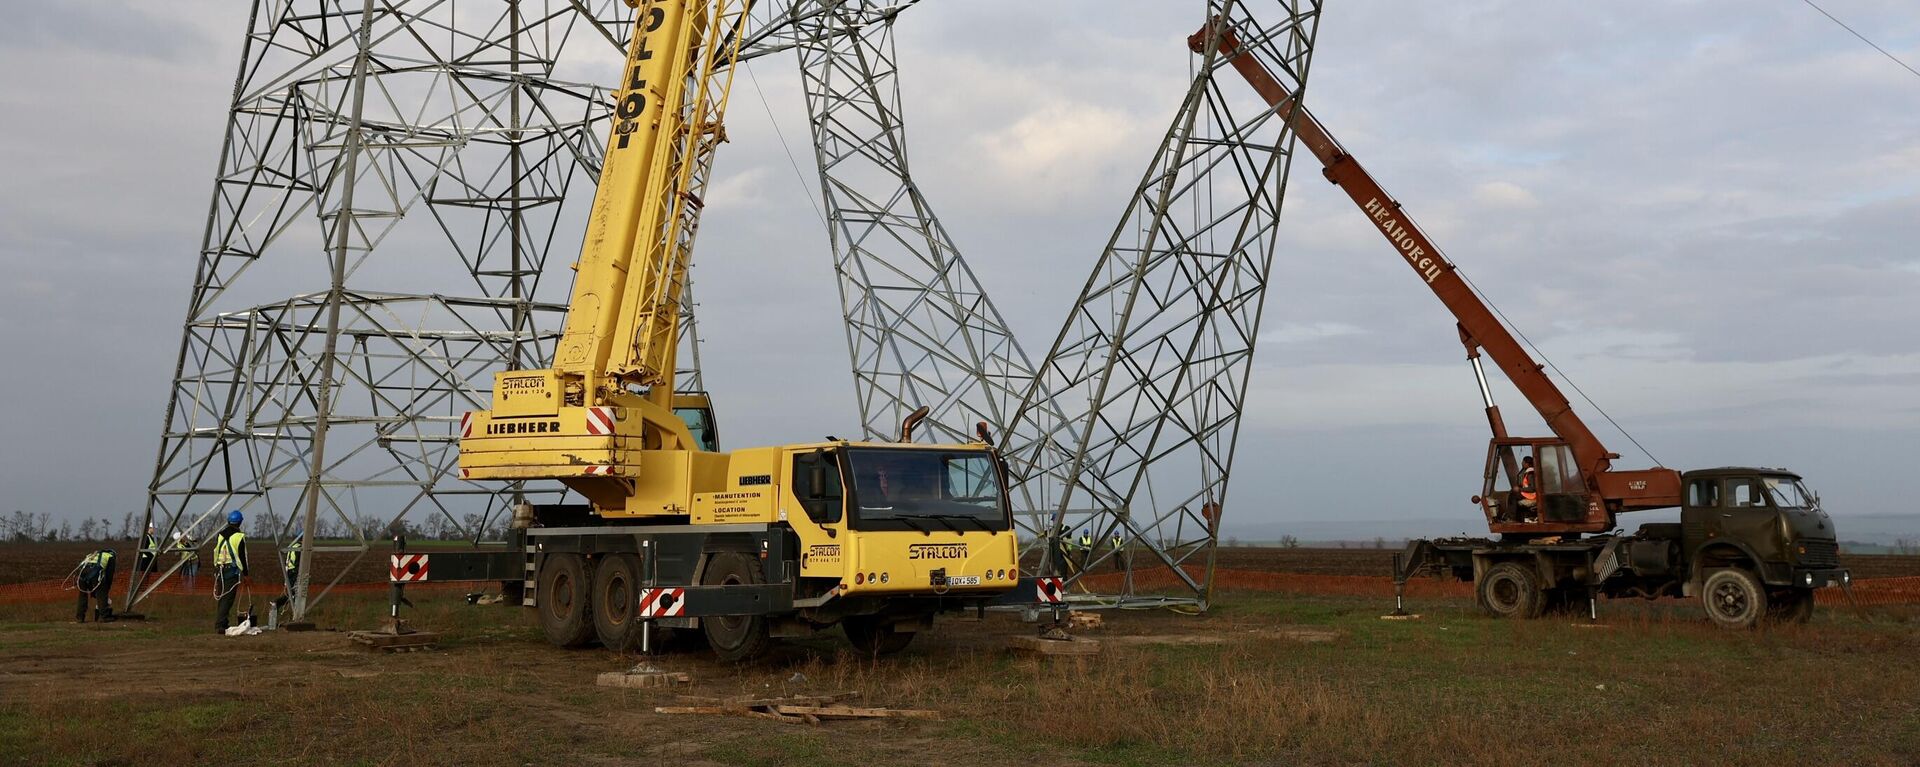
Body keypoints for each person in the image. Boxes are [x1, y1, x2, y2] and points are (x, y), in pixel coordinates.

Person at [211, 511, 251, 633]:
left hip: (220, 569)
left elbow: (215, 551)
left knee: (222, 596)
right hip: (231, 570)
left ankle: (222, 622)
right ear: (240, 522)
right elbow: (243, 557)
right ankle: (220, 625)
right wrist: (246, 574)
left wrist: (216, 566)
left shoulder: (220, 535)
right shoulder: (239, 537)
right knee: (227, 598)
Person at [74, 548, 117, 623]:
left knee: (82, 595)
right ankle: (104, 616)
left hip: (81, 574)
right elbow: (109, 574)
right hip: (95, 572)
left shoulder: (93, 554)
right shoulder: (110, 557)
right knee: (102, 594)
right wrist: (107, 588)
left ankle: (80, 617)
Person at [273, 527, 304, 609]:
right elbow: (298, 562)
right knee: (295, 592)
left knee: (291, 592)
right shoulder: (300, 548)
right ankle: (278, 603)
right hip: (295, 571)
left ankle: (280, 604)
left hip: (289, 571)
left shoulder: (292, 546)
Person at [133, 523, 159, 596]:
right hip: (146, 561)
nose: (155, 530)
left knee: (149, 578)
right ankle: (142, 593)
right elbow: (144, 549)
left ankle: (146, 592)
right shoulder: (146, 537)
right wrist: (153, 556)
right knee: (144, 578)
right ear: (150, 528)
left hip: (151, 560)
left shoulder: (151, 537)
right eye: (154, 528)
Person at [1517, 456, 1540, 523]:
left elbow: (1532, 488)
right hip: (1529, 494)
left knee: (1514, 497)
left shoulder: (1530, 474)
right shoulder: (1527, 473)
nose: (1522, 463)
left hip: (1532, 495)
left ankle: (1515, 518)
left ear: (1527, 464)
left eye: (1523, 462)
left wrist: (1520, 489)